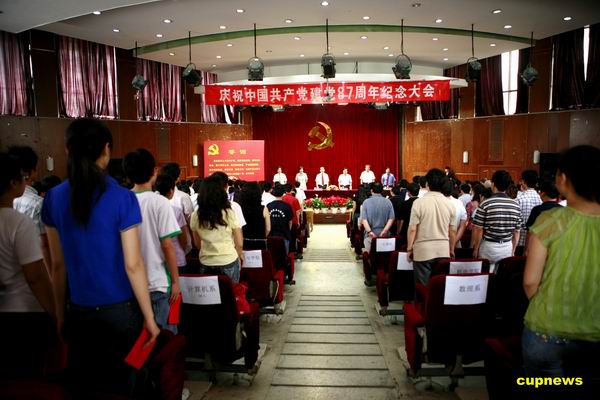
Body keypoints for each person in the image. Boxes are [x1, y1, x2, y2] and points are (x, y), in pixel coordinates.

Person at [41, 119, 159, 396]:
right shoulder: (122, 198)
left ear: (68, 150)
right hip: (120, 313)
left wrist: (60, 315)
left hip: (79, 311)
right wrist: (149, 317)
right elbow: (133, 264)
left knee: (87, 387)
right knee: (124, 386)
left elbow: (57, 265)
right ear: (106, 149)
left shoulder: (53, 198)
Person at [523, 145, 600, 392]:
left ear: (563, 179)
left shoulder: (550, 220)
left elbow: (530, 282)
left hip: (547, 331)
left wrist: (548, 307)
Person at [0, 152, 56, 379]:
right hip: (23, 312)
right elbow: (35, 276)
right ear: (13, 183)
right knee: (28, 378)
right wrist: (55, 311)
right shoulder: (18, 222)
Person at [123, 149, 181, 334]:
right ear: (154, 171)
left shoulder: (122, 201)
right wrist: (176, 282)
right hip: (157, 282)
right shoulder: (160, 202)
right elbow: (167, 245)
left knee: (138, 340)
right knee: (165, 340)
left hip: (129, 285)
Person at [407, 169, 456, 286]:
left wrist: (409, 249)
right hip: (443, 251)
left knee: (423, 289)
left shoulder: (418, 203)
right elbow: (453, 231)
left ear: (427, 183)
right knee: (439, 289)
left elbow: (413, 229)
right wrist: (451, 249)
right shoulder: (450, 204)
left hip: (423, 252)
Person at [190, 176, 244, 283]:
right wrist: (238, 255)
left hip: (206, 261)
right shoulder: (229, 212)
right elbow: (239, 242)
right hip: (228, 260)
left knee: (211, 294)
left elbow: (197, 242)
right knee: (231, 292)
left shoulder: (196, 215)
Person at [9, 146, 52, 273]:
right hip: (35, 268)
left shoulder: (8, 200)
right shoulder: (38, 203)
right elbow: (44, 246)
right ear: (29, 172)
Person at [471, 170, 522, 270]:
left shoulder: (485, 204)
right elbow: (517, 231)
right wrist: (513, 250)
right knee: (502, 276)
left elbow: (478, 229)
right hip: (507, 247)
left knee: (487, 276)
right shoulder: (516, 205)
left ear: (493, 184)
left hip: (488, 247)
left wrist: (476, 248)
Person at [155, 174, 190, 274]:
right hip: (177, 258)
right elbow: (183, 238)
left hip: (157, 259)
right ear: (171, 191)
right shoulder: (176, 211)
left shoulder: (151, 209)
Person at [360, 182, 395, 254]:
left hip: (370, 236)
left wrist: (370, 232)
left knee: (371, 257)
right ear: (382, 190)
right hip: (385, 236)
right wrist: (384, 231)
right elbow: (391, 218)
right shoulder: (388, 201)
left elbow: (364, 219)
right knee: (384, 257)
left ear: (371, 190)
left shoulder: (366, 202)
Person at [238, 182, 271, 247]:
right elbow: (268, 229)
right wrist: (261, 236)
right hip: (260, 242)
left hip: (244, 242)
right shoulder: (264, 209)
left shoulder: (239, 208)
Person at [517, 170, 542, 246]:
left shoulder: (518, 199)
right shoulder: (541, 199)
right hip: (535, 243)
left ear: (523, 182)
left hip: (519, 241)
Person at [267, 184, 293, 254]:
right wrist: (288, 231)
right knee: (284, 256)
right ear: (283, 193)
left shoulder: (269, 205)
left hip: (271, 236)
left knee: (272, 256)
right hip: (284, 235)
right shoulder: (287, 206)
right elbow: (290, 222)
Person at [443, 181, 467, 249]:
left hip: (440, 244)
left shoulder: (436, 202)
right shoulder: (459, 203)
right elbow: (463, 226)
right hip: (455, 242)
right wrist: (454, 241)